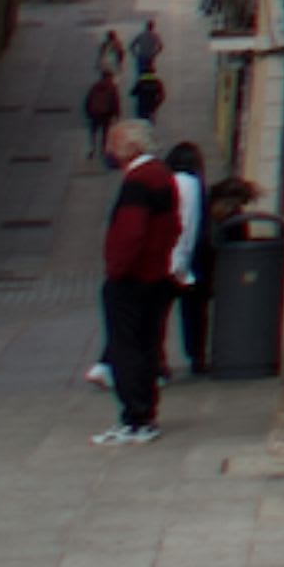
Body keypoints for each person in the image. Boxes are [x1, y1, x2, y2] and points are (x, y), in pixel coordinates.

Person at [92, 127, 180, 443]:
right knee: (146, 345)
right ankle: (144, 414)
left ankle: (134, 418)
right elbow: (174, 226)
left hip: (132, 279)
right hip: (154, 275)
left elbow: (131, 232)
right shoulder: (162, 175)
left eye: (113, 145)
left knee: (126, 347)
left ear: (127, 147)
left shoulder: (138, 181)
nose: (111, 152)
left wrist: (117, 270)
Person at [166, 145, 245, 379]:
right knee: (196, 312)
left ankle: (164, 360)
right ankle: (197, 357)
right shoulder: (199, 192)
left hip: (171, 258)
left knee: (167, 312)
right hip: (199, 261)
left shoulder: (170, 188)